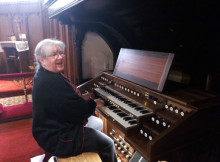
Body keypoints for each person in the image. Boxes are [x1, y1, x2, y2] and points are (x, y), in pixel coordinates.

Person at [32, 39, 117, 162]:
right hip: (57, 136)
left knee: (97, 123)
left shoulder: (46, 74)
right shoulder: (50, 81)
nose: (60, 57)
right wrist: (94, 103)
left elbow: (64, 102)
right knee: (108, 143)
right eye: (54, 54)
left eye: (61, 53)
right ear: (42, 59)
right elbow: (78, 112)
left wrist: (83, 97)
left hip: (52, 127)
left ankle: (92, 153)